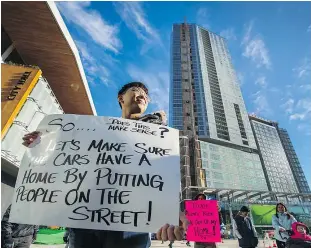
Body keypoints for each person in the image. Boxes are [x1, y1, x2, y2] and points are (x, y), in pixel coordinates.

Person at [22, 82, 188, 248]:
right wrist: (43, 143)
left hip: (131, 225)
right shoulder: (96, 132)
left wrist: (172, 212)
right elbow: (68, 159)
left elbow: (164, 179)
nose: (143, 96)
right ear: (121, 98)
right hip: (84, 220)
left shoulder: (160, 138)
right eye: (136, 91)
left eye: (146, 95)